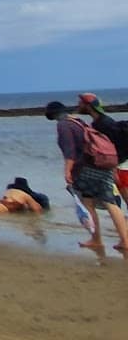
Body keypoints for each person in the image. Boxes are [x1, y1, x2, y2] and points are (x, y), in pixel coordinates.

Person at [46, 100, 128, 252]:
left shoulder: (63, 125)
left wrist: (67, 172)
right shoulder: (78, 121)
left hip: (85, 170)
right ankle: (125, 240)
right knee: (111, 203)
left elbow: (69, 151)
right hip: (101, 165)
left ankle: (96, 239)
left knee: (88, 203)